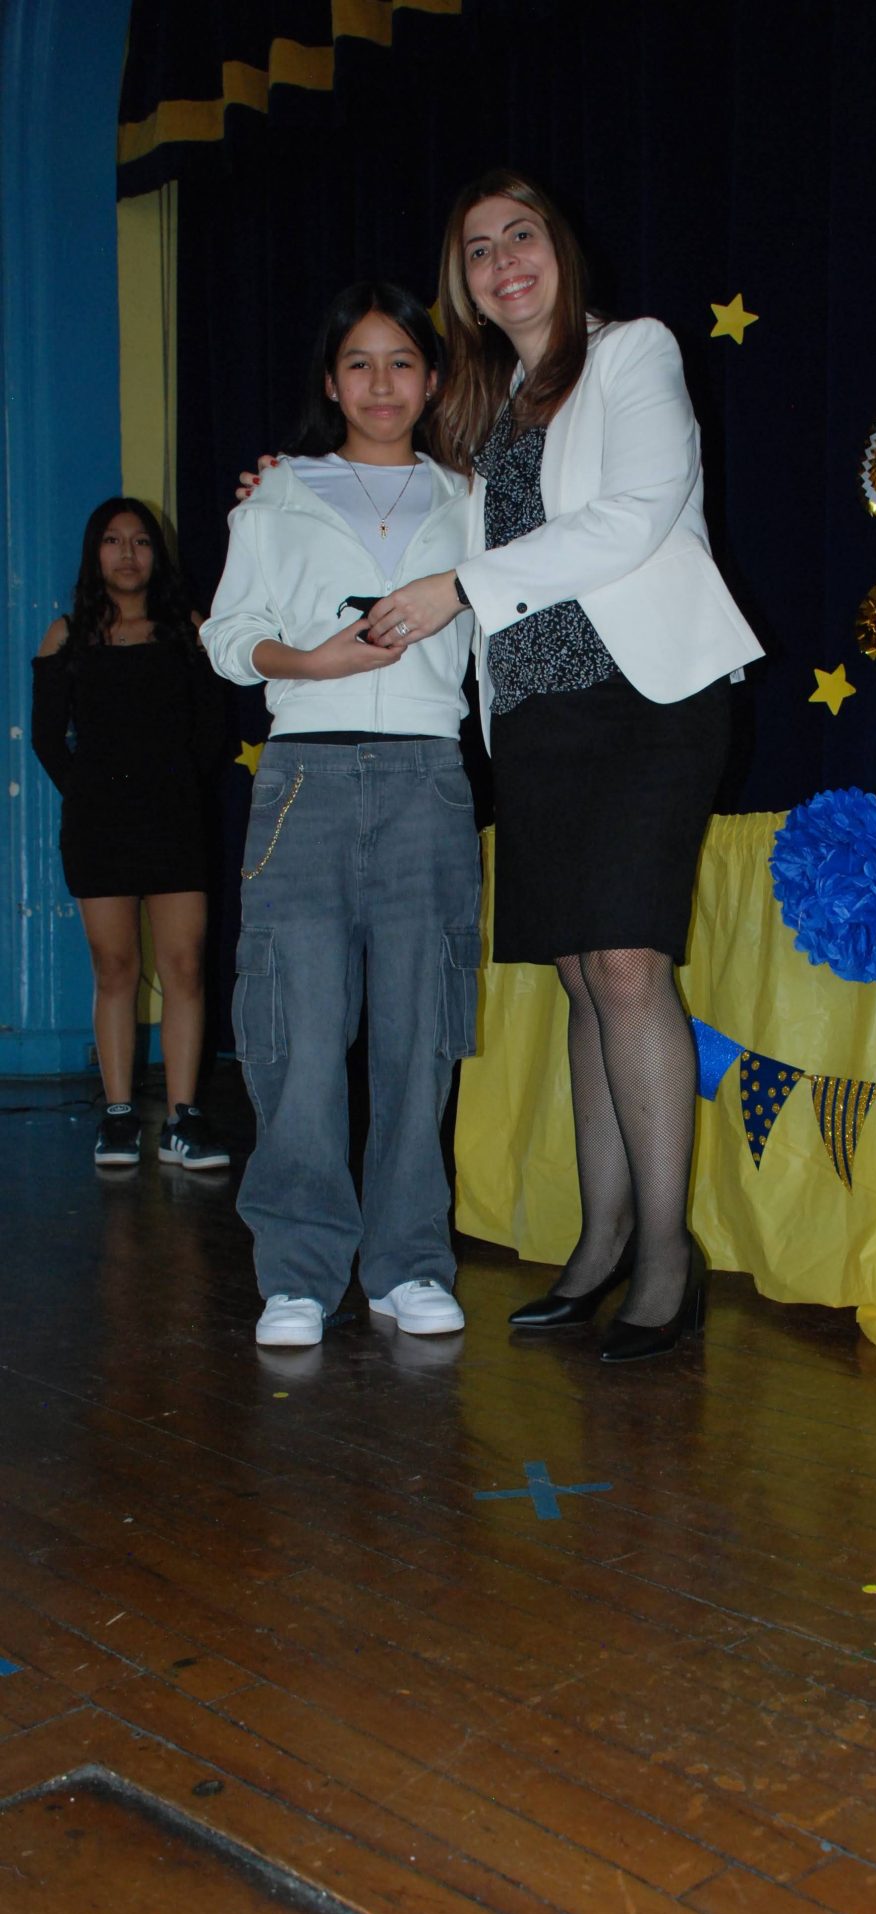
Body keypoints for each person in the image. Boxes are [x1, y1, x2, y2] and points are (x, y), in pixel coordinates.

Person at [360, 171, 764, 1362]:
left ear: (559, 248)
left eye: (520, 236)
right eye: (479, 251)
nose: (503, 263)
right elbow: (403, 510)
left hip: (644, 703)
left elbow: (634, 512)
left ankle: (666, 1258)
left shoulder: (634, 353)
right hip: (535, 719)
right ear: (465, 285)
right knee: (586, 979)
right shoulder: (481, 408)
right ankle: (599, 1243)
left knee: (629, 965)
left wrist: (461, 585)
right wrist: (284, 490)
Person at [202, 283, 478, 1350]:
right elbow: (230, 635)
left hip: (428, 778)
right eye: (358, 363)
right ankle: (298, 1272)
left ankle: (409, 1261)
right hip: (303, 782)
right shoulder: (278, 495)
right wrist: (308, 662)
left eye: (401, 361)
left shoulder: (470, 498)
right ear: (331, 381)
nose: (380, 383)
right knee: (297, 1036)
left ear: (433, 380)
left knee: (421, 1033)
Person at [31, 498, 229, 1171]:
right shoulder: (65, 636)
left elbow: (212, 731)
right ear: (95, 553)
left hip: (174, 825)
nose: (127, 553)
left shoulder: (188, 631)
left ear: (156, 555)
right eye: (113, 541)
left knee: (185, 966)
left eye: (141, 541)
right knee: (115, 969)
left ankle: (183, 1119)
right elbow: (47, 740)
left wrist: (172, 792)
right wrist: (94, 796)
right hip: (99, 829)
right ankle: (118, 1115)